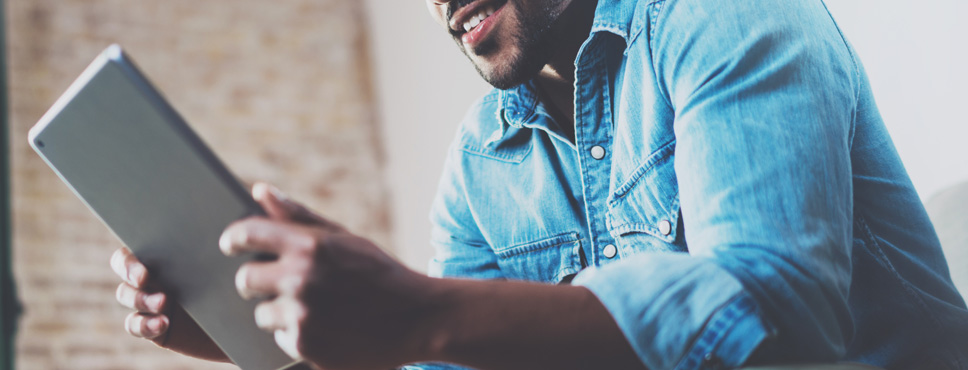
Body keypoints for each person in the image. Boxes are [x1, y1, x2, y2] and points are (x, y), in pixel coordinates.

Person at [109, 0, 968, 368]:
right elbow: (463, 359)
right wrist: (263, 333)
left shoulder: (722, 17)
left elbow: (776, 315)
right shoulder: (483, 161)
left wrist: (415, 309)